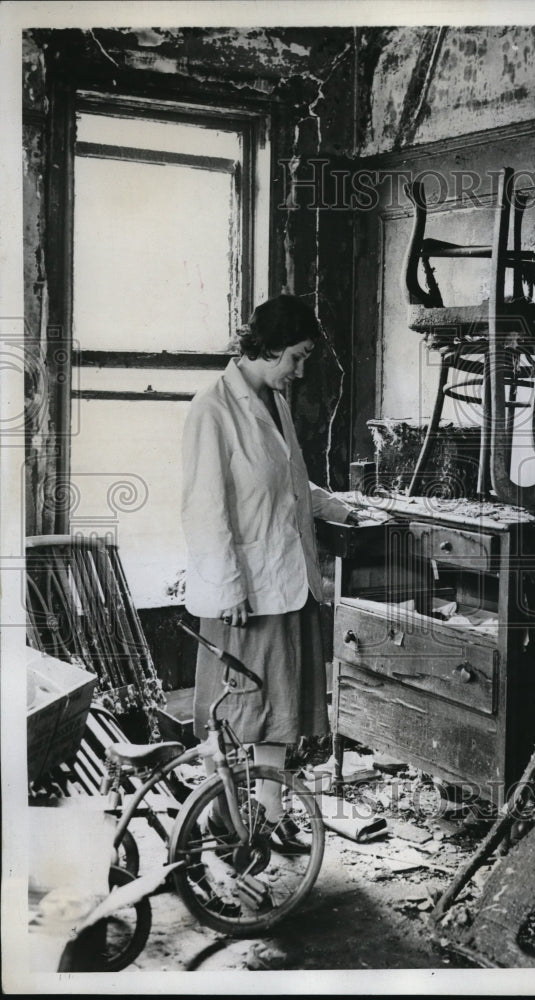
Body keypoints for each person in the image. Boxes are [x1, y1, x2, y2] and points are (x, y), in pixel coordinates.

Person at [181, 293, 358, 854]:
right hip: (246, 590)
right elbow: (204, 507)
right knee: (242, 710)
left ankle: (269, 812)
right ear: (271, 348)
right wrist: (228, 586)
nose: (301, 371)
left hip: (287, 581)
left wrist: (343, 508)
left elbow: (290, 485)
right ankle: (227, 814)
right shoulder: (212, 408)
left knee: (278, 709)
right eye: (297, 358)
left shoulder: (273, 402)